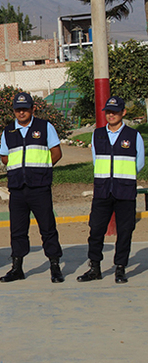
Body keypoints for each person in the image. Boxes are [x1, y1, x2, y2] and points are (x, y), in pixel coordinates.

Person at [77, 96, 145, 283]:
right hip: (103, 190)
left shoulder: (133, 136)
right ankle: (95, 268)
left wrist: (123, 176)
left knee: (125, 231)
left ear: (123, 112)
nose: (111, 114)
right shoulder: (97, 134)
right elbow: (95, 160)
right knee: (96, 229)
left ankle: (120, 268)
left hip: (125, 191)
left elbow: (139, 163)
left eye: (115, 111)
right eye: (108, 111)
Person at [0, 92, 65, 283]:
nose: (21, 112)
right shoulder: (9, 130)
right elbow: (5, 156)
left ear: (32, 109)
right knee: (18, 230)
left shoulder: (45, 127)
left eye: (25, 109)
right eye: (18, 109)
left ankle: (54, 266)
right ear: (14, 110)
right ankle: (17, 267)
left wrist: (41, 169)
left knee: (47, 227)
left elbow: (56, 153)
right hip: (18, 188)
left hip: (39, 187)